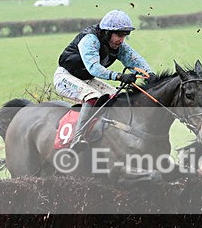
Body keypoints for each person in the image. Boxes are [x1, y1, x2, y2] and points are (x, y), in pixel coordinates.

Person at [53, 9, 154, 146]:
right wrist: (118, 76)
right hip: (65, 77)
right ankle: (78, 137)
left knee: (115, 97)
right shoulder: (90, 39)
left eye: (125, 35)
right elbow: (94, 68)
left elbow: (135, 60)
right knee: (92, 97)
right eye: (119, 35)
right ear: (107, 32)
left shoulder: (118, 45)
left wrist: (150, 74)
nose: (121, 40)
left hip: (86, 79)